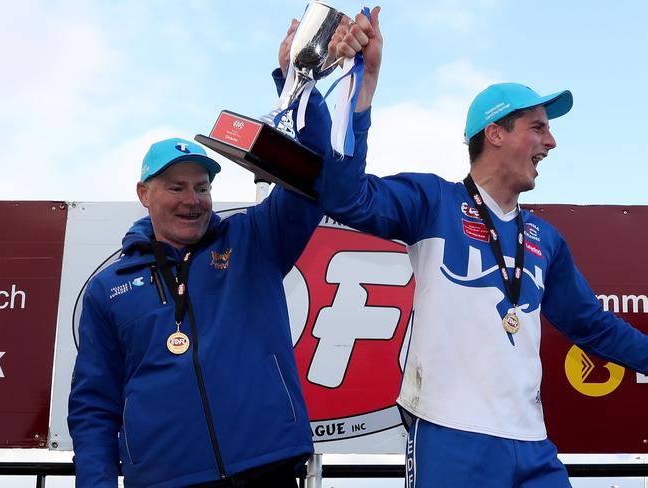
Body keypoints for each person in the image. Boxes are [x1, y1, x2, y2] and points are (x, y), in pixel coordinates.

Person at [319, 7, 648, 487]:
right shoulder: (432, 201)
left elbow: (591, 326)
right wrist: (362, 86)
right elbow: (345, 196)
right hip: (451, 435)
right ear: (494, 133)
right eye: (537, 127)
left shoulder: (546, 239)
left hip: (533, 443)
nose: (551, 141)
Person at [67, 22, 331, 488]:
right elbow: (94, 404)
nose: (193, 199)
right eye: (176, 187)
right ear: (144, 194)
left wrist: (294, 83)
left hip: (265, 468)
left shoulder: (253, 239)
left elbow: (306, 177)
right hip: (165, 479)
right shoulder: (108, 289)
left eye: (203, 186)